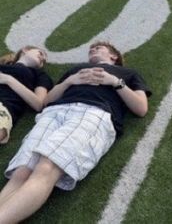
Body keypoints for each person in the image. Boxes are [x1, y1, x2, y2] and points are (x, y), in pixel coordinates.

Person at [0, 41, 151, 223]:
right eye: (90, 49)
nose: (92, 50)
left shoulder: (128, 74)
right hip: (54, 112)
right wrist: (70, 81)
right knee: (22, 170)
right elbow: (46, 101)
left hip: (93, 113)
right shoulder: (76, 70)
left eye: (98, 48)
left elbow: (141, 108)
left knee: (47, 166)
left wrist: (115, 82)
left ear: (114, 56)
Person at [0, 46, 53, 144]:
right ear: (26, 49)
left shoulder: (40, 75)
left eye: (44, 61)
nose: (43, 59)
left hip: (4, 106)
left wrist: (8, 80)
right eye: (41, 53)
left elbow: (38, 104)